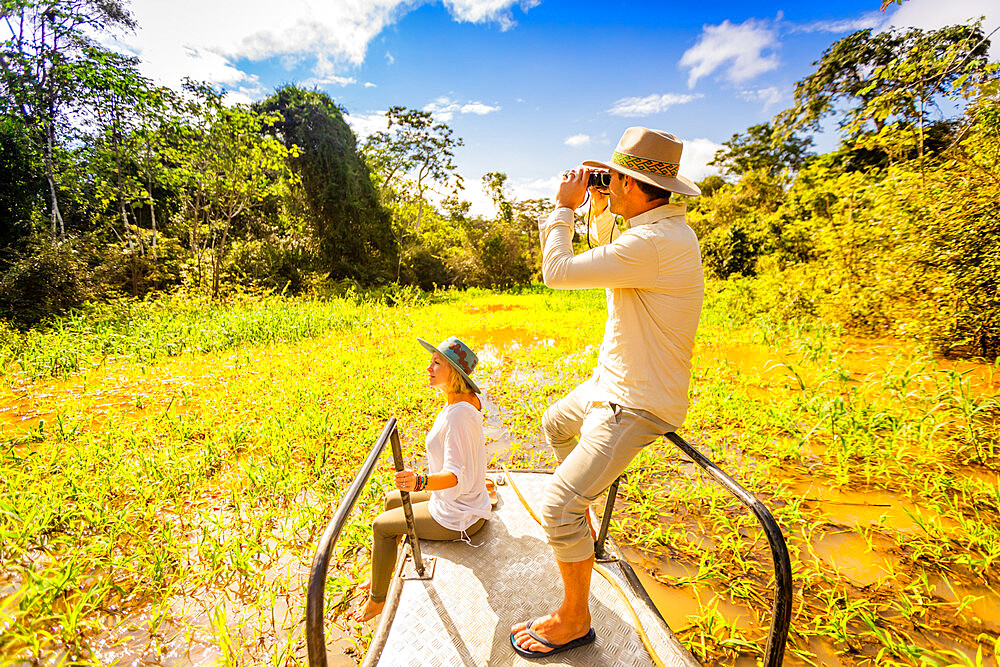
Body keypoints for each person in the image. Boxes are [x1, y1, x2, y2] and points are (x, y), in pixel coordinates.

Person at [510, 127, 704, 658]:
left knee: (557, 506)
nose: (606, 184)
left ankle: (574, 619)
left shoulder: (653, 243)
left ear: (634, 184)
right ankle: (585, 507)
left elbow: (558, 272)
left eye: (612, 178)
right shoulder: (654, 232)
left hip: (636, 400)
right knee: (555, 423)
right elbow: (610, 254)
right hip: (611, 381)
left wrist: (564, 209)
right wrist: (598, 207)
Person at [354, 336, 492, 622]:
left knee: (381, 526)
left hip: (459, 515)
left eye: (436, 362)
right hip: (456, 500)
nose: (428, 367)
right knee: (392, 500)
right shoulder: (463, 401)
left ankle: (377, 601)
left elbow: (455, 477)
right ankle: (384, 568)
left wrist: (419, 482)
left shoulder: (459, 415)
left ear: (454, 372)